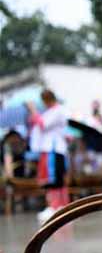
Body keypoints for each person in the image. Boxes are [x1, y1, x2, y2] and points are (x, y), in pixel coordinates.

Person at [26, 89, 69, 223]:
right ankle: (57, 206)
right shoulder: (50, 111)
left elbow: (43, 124)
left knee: (54, 179)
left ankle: (56, 206)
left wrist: (33, 110)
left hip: (53, 149)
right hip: (49, 149)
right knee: (54, 179)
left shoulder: (58, 110)